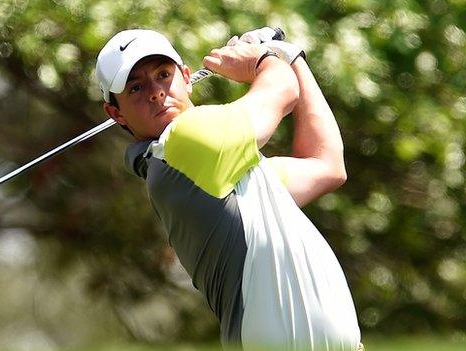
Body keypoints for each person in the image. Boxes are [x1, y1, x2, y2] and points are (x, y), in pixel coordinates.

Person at [95, 28, 362, 350]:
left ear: (186, 76)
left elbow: (326, 166)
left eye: (163, 74)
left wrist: (291, 58)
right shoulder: (184, 141)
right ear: (115, 113)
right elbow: (282, 91)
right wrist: (263, 59)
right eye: (135, 87)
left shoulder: (225, 173)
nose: (155, 92)